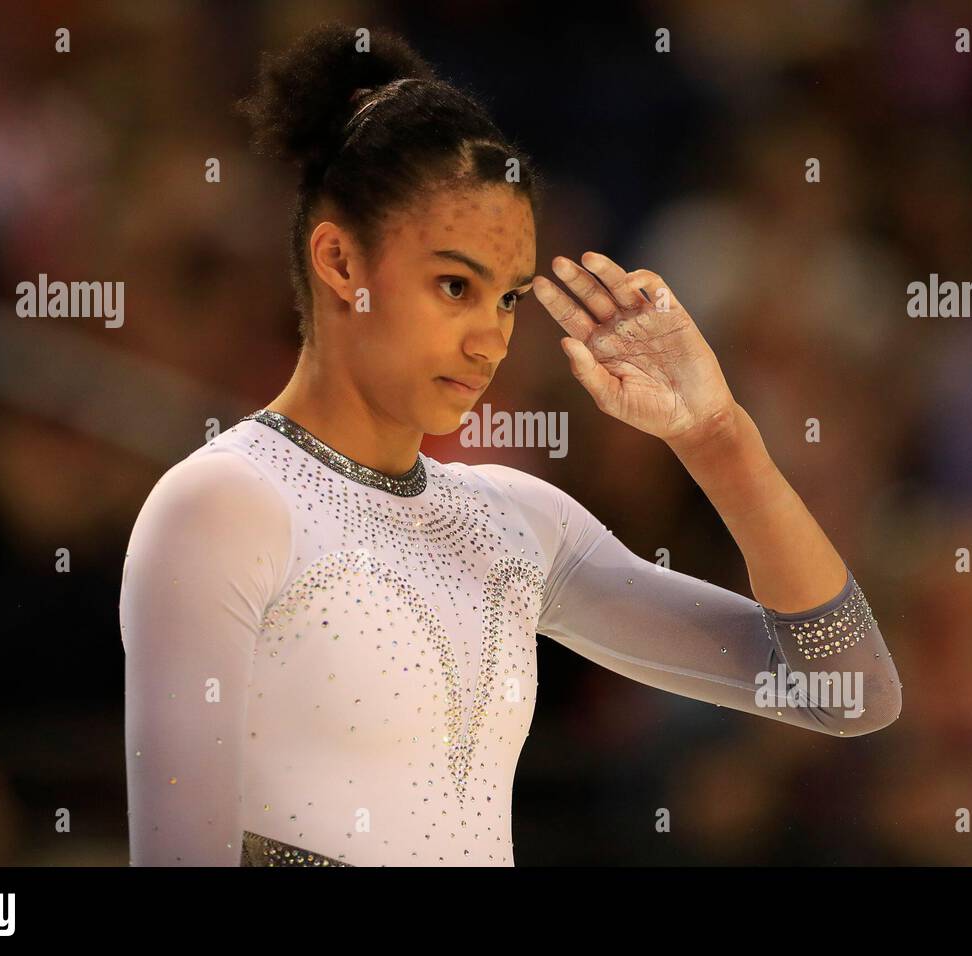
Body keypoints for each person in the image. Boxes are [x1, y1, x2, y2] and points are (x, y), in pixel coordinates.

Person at [119, 21, 902, 867]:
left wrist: (718, 438)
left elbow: (847, 693)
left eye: (508, 300)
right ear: (341, 261)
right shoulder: (225, 505)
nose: (490, 340)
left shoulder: (518, 525)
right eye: (455, 285)